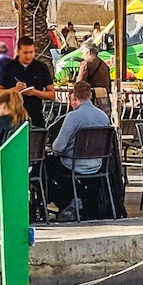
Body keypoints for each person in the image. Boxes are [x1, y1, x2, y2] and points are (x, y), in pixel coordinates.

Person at [49, 81, 119, 219]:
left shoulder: (73, 117)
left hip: (74, 164)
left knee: (45, 168)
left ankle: (67, 201)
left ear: (74, 96)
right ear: (90, 95)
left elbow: (58, 147)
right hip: (98, 164)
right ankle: (77, 199)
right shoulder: (103, 116)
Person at [0, 37, 58, 125]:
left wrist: (36, 93)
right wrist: (14, 90)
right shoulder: (8, 67)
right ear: (18, 52)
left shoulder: (41, 67)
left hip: (35, 117)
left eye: (31, 52)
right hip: (12, 117)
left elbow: (52, 95)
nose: (29, 56)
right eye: (25, 53)